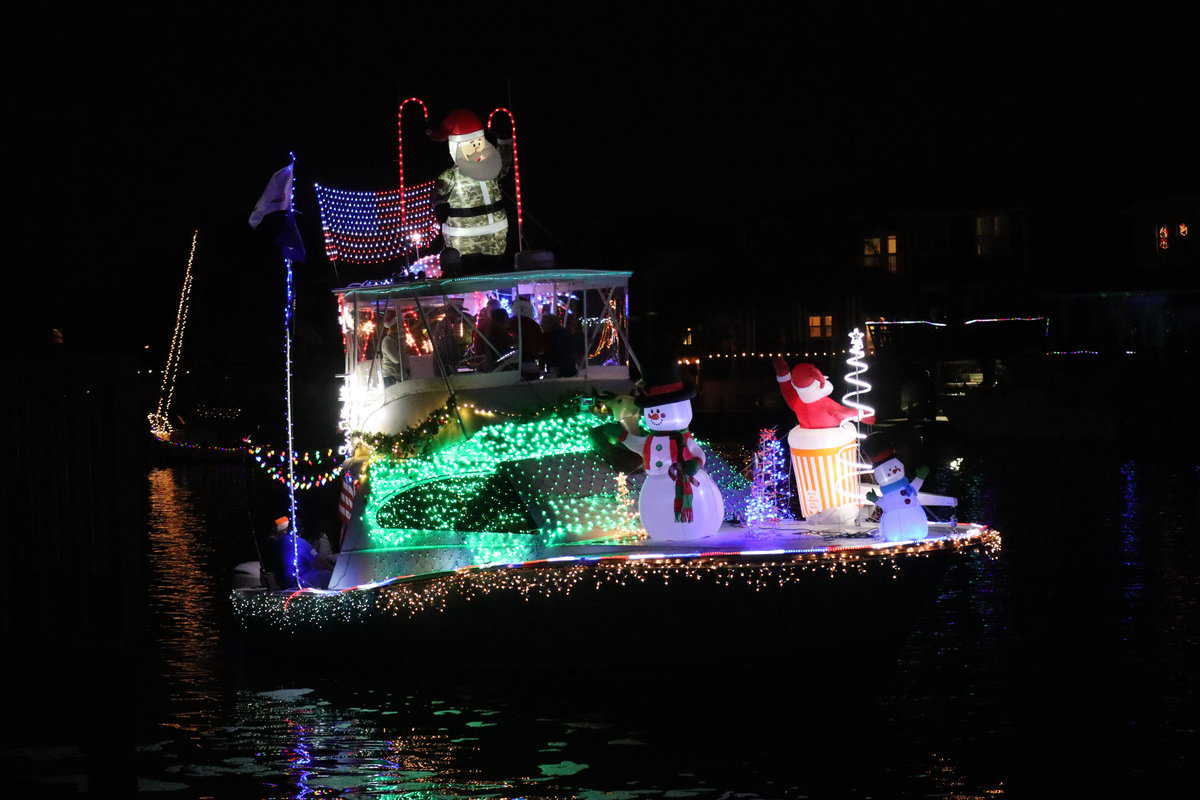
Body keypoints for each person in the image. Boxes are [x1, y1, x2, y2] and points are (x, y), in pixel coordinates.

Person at [270, 516, 336, 589]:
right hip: (298, 583)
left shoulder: (276, 543)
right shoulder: (299, 542)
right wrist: (333, 570)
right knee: (329, 575)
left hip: (281, 583)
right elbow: (319, 561)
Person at [381, 309, 405, 387]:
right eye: (400, 326)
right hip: (390, 377)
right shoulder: (387, 341)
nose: (402, 328)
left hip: (397, 375)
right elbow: (396, 359)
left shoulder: (396, 340)